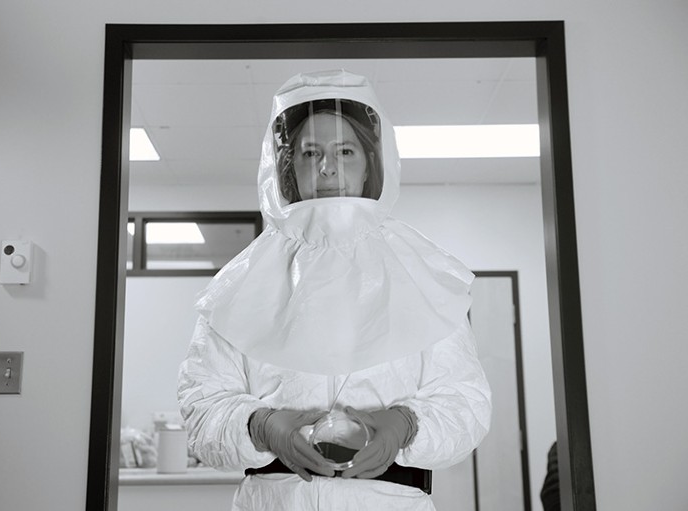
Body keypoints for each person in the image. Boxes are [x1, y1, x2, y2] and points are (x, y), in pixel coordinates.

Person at [178, 69, 491, 511]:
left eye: (344, 150)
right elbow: (202, 406)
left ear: (370, 163)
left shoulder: (420, 277)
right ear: (289, 167)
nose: (328, 167)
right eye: (310, 153)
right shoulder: (241, 285)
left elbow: (465, 402)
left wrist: (404, 424)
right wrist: (262, 426)